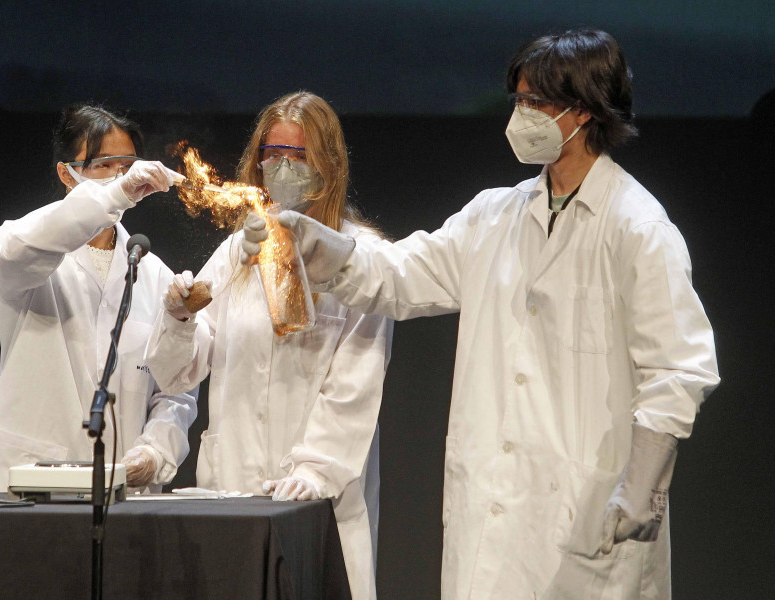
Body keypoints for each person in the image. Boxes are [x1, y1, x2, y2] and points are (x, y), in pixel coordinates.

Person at [245, 31, 720, 600]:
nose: (521, 116)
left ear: (587, 109)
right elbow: (399, 275)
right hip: (491, 521)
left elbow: (678, 370)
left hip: (586, 519)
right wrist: (320, 245)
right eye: (517, 101)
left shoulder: (638, 227)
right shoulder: (494, 215)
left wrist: (643, 487)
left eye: (536, 103)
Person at [145, 92, 391, 600]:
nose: (281, 167)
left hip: (317, 498)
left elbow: (356, 382)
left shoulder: (360, 257)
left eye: (297, 155)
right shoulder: (240, 249)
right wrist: (180, 316)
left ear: (328, 162)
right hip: (233, 490)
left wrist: (314, 469)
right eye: (271, 154)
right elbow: (180, 374)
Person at [0, 103, 197, 493]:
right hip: (24, 487)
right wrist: (116, 194)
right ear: (67, 172)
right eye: (104, 164)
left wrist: (155, 451)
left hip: (120, 492)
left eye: (127, 165)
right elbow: (14, 249)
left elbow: (175, 391)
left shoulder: (153, 273)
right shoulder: (29, 247)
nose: (120, 176)